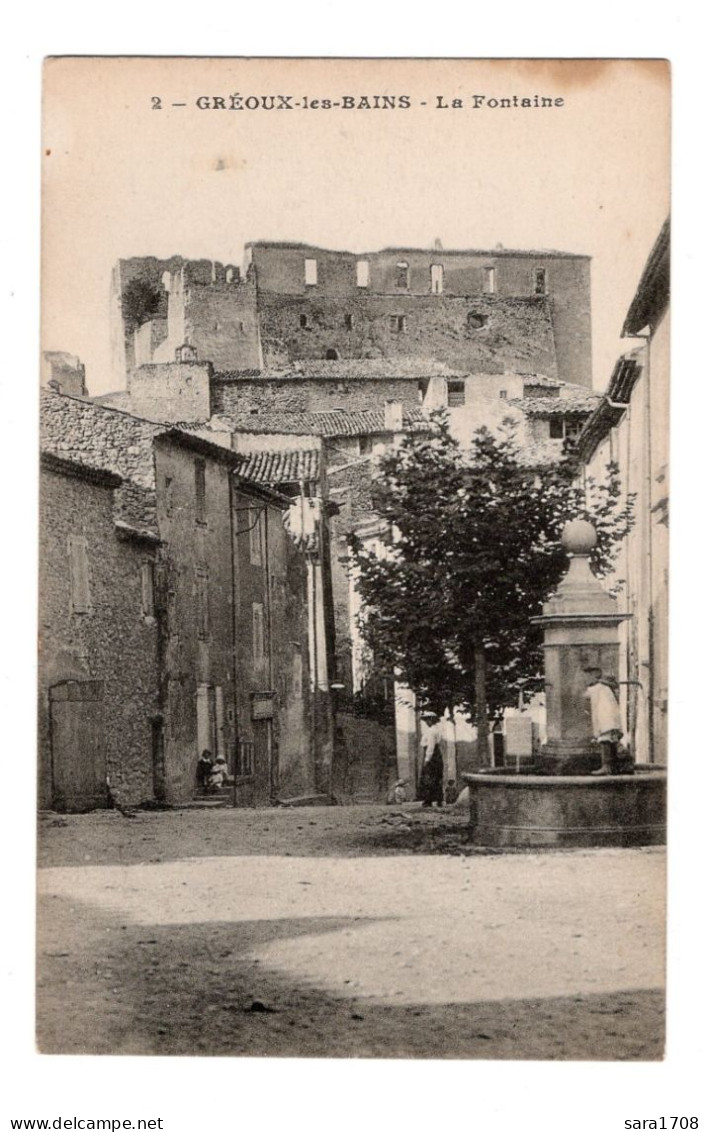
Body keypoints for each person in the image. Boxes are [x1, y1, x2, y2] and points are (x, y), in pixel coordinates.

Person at [584, 668, 623, 775]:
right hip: (611, 717)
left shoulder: (597, 688)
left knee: (605, 741)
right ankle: (614, 767)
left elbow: (585, 696)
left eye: (588, 676)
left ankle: (606, 766)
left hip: (605, 717)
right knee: (612, 740)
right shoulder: (607, 688)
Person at [419, 711, 445, 807]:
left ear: (431, 720)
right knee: (437, 777)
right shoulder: (438, 730)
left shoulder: (431, 731)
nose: (426, 722)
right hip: (437, 755)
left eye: (427, 720)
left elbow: (430, 746)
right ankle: (439, 800)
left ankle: (428, 800)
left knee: (429, 777)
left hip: (432, 755)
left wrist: (427, 759)